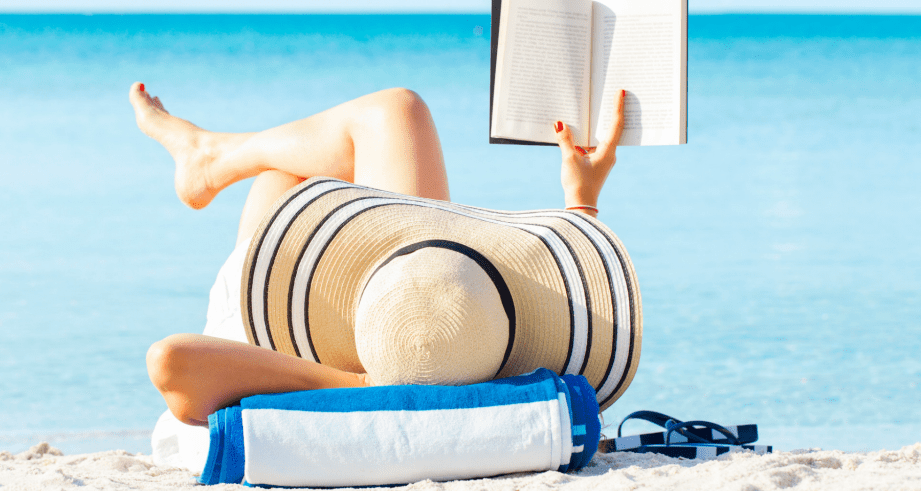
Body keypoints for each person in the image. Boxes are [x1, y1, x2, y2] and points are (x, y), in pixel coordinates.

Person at [131, 82, 628, 428]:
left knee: (325, 155)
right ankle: (210, 156)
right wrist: (580, 198)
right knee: (327, 154)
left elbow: (173, 364)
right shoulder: (490, 355)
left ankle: (210, 154)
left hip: (284, 340)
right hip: (394, 294)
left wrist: (375, 383)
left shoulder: (447, 357)